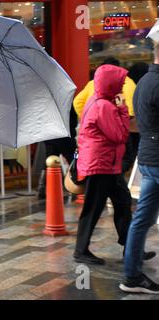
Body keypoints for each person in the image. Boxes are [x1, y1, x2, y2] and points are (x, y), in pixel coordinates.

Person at [73, 64, 131, 265]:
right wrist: (123, 108)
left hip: (106, 164)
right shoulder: (104, 106)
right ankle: (81, 250)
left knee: (123, 202)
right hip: (101, 165)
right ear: (111, 83)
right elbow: (120, 135)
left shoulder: (96, 101)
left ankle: (131, 248)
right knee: (94, 208)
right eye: (121, 82)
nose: (123, 85)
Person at [120, 44, 159, 294]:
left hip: (147, 157)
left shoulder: (144, 81)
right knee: (142, 218)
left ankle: (132, 276)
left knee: (142, 219)